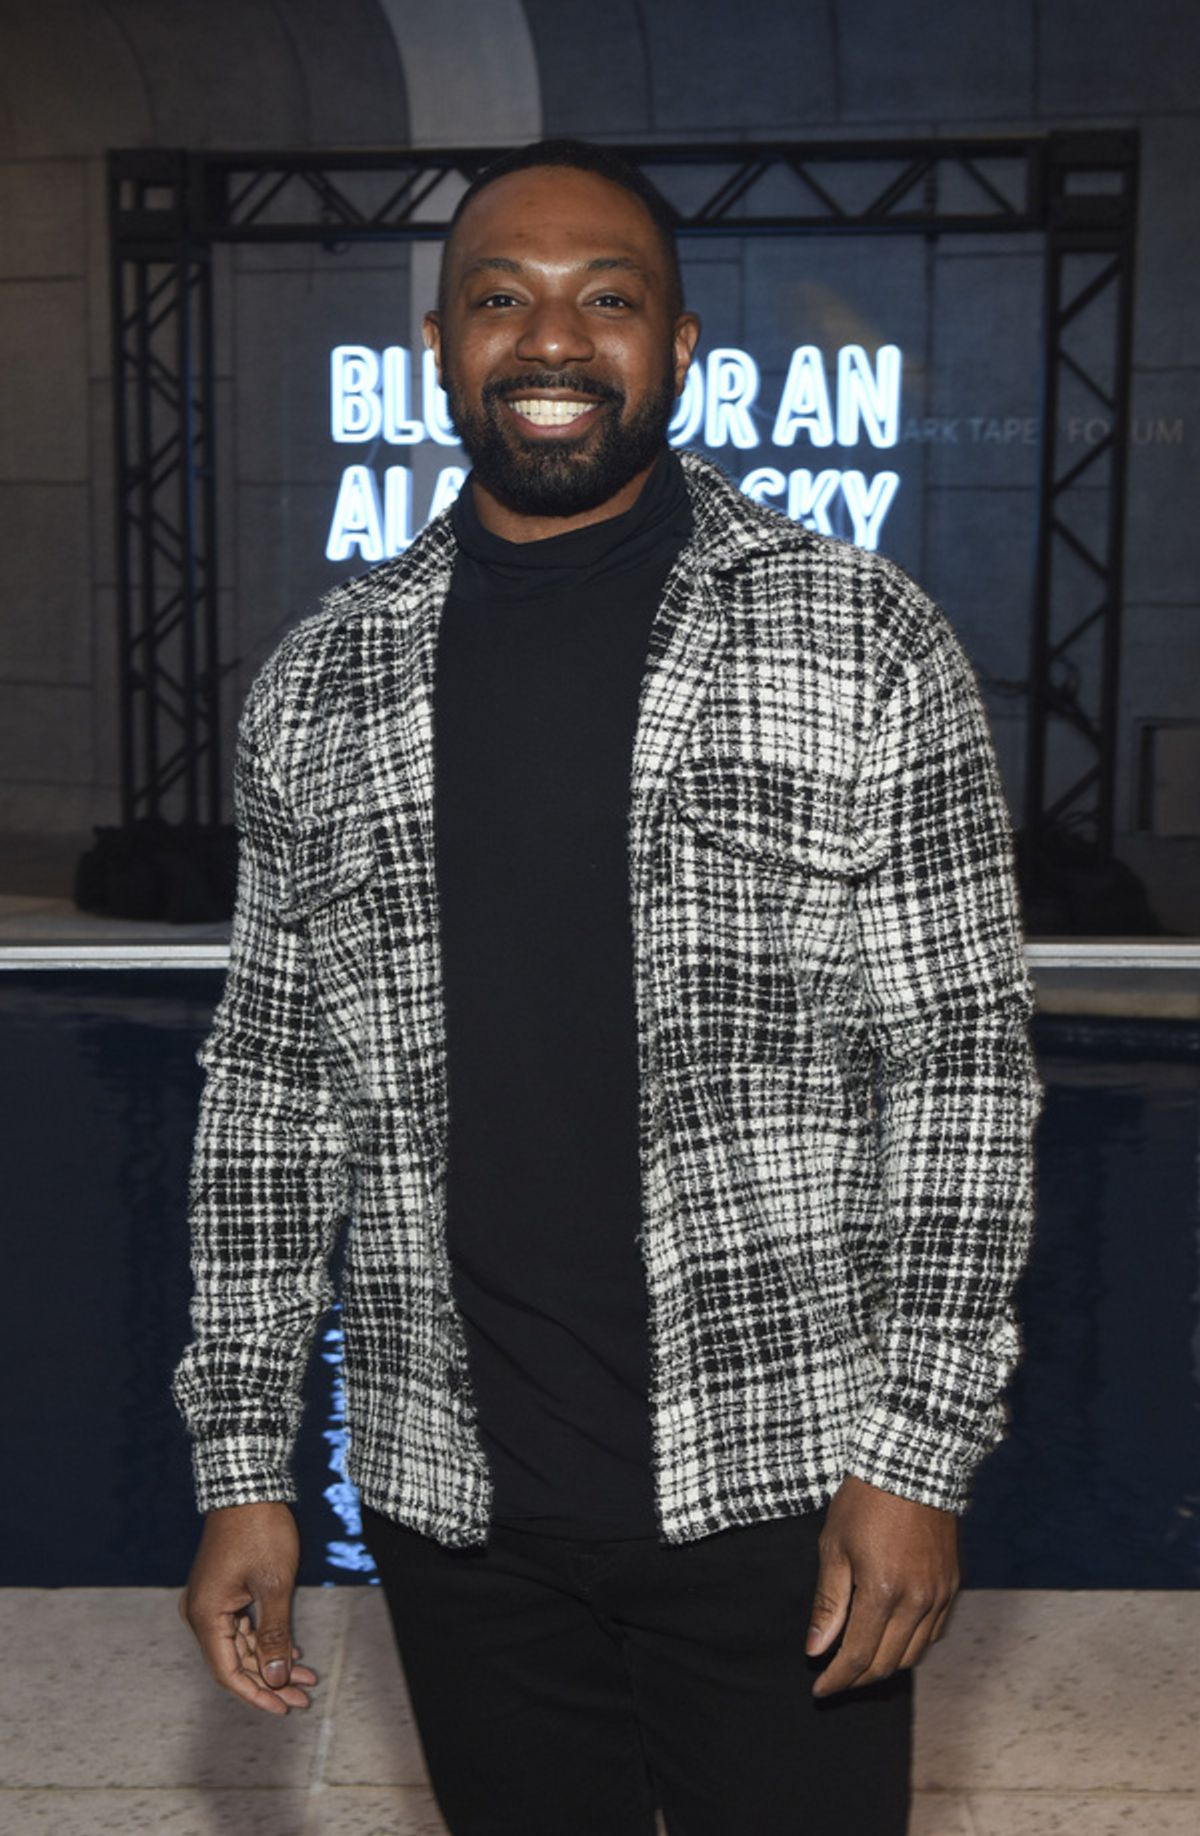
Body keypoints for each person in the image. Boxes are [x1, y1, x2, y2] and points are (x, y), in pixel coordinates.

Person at [175, 138, 1043, 1835]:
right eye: (502, 299)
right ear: (438, 345)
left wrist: (918, 1455)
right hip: (456, 1509)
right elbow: (273, 1095)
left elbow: (957, 1069)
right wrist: (244, 1472)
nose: (553, 342)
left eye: (607, 300)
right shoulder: (321, 688)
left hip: (786, 1491)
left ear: (682, 346)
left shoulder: (858, 636)